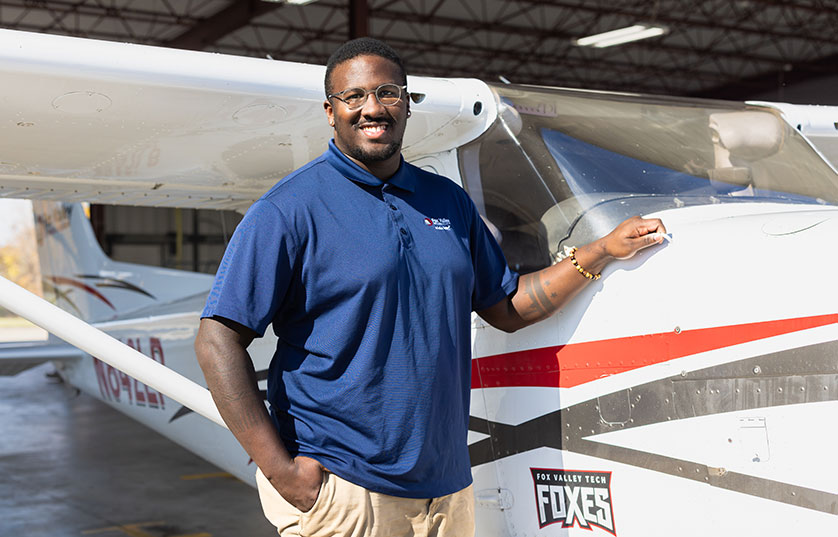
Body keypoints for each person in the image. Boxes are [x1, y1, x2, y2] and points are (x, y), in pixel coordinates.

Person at [194, 37, 666, 537]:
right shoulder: (289, 209)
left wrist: (599, 250)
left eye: (388, 93)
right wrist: (284, 475)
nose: (372, 108)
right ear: (330, 112)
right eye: (353, 97)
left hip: (448, 486)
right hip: (346, 489)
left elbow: (505, 306)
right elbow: (217, 339)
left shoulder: (448, 202)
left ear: (407, 104)